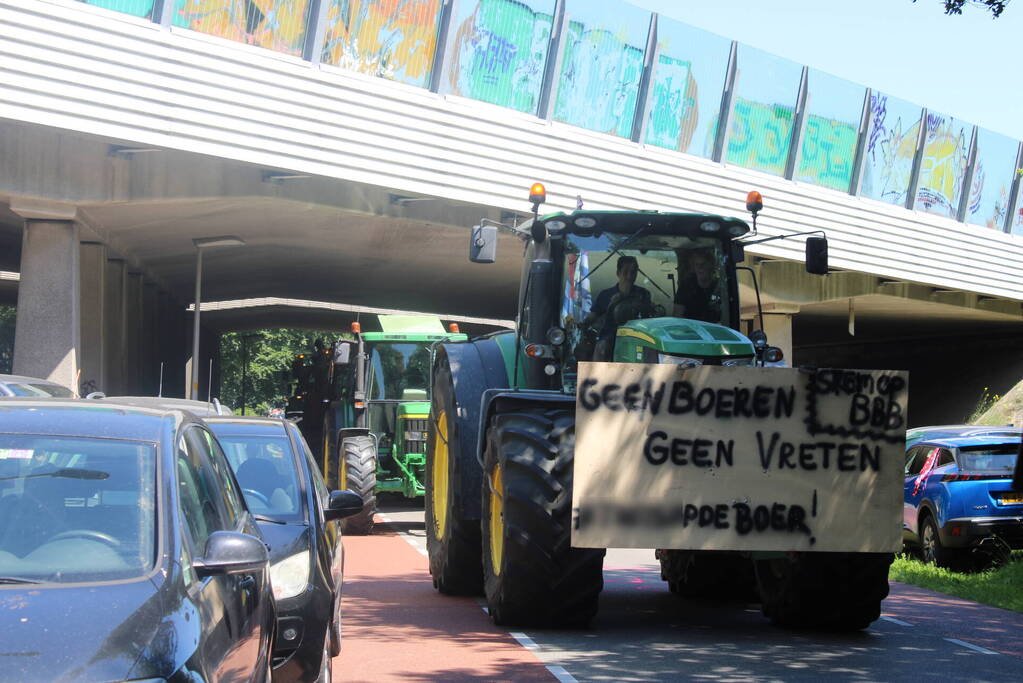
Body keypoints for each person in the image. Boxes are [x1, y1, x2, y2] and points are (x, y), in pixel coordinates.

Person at [587, 255, 652, 360]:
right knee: (602, 347)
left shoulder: (643, 294)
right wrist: (582, 324)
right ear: (618, 273)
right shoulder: (605, 294)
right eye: (625, 272)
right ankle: (596, 374)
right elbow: (593, 316)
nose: (629, 276)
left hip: (638, 335)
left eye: (633, 272)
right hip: (611, 334)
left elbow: (649, 316)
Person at [673, 249, 721, 323]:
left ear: (711, 266)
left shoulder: (720, 286)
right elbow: (677, 314)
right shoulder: (686, 286)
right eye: (696, 264)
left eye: (703, 264)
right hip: (690, 329)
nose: (700, 268)